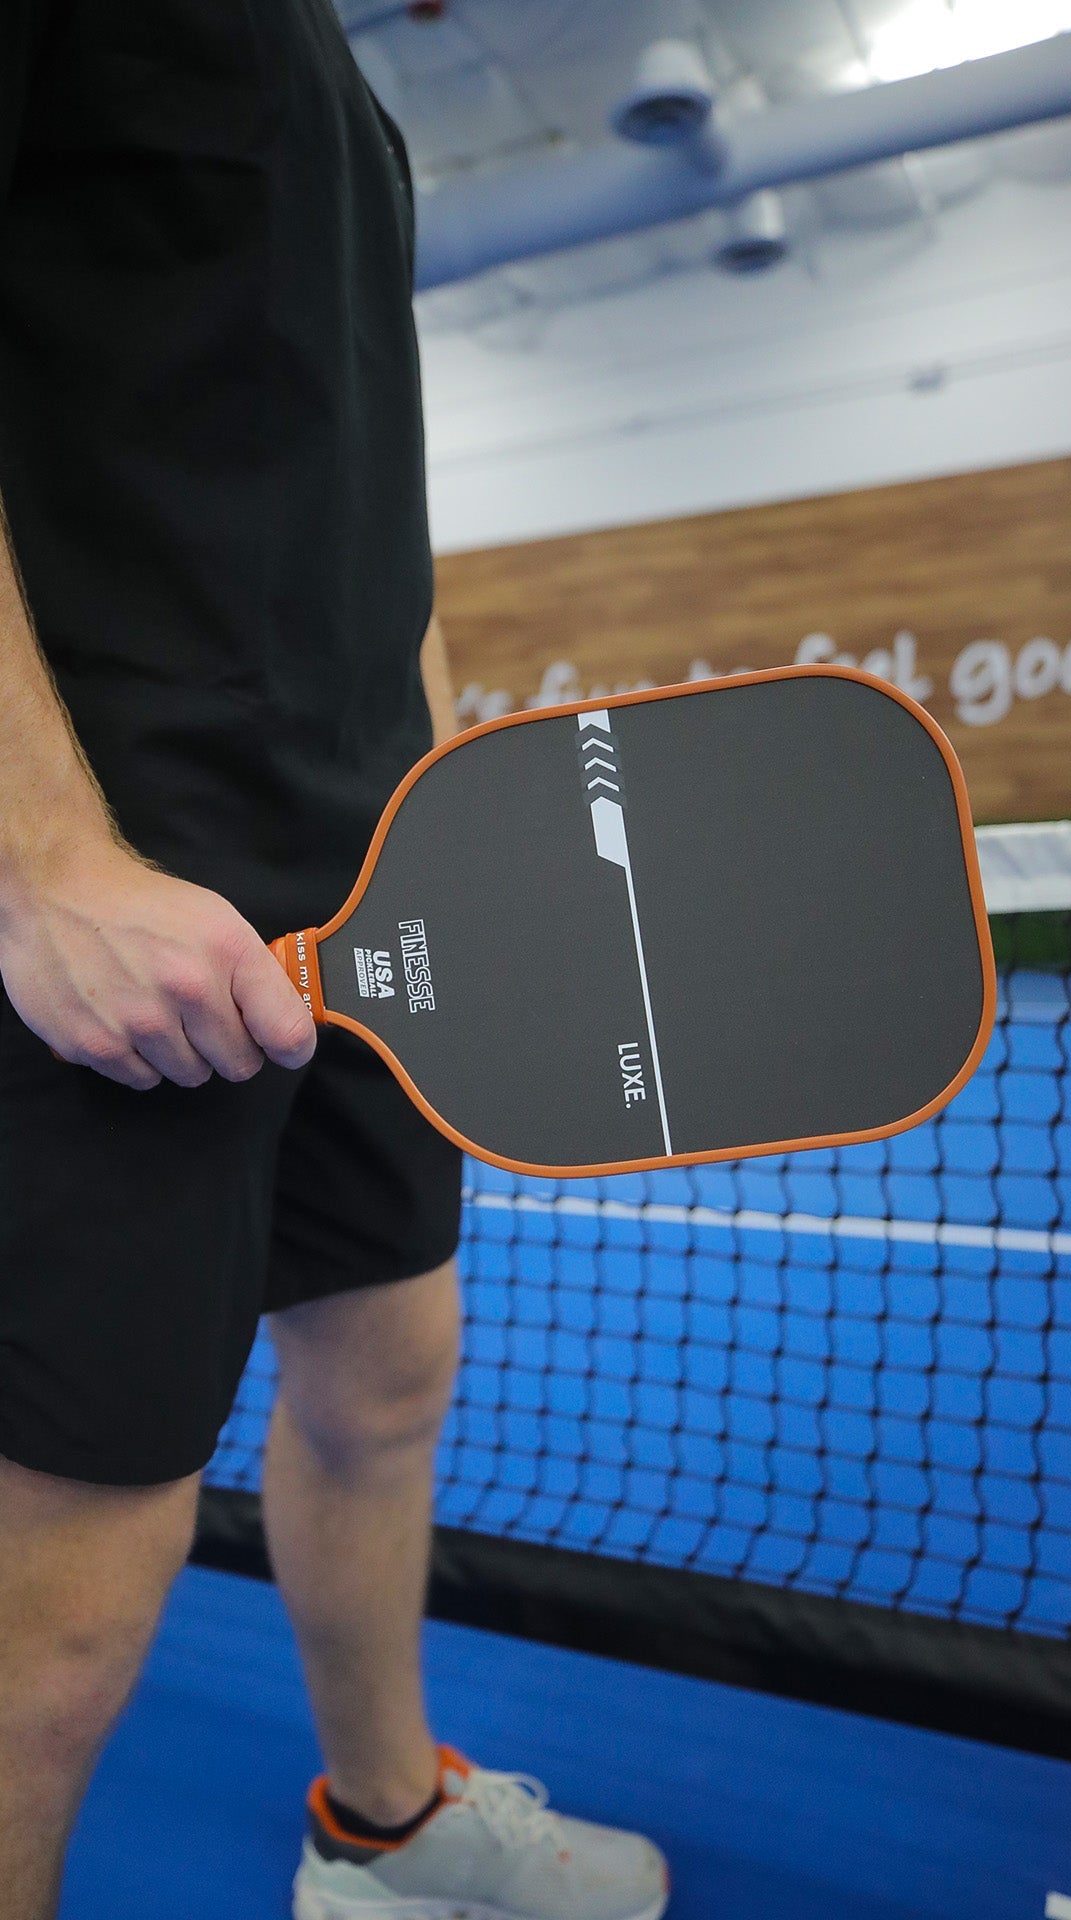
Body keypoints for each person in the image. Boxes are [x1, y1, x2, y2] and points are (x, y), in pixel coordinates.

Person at [0, 4, 670, 1918]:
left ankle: (380, 1829)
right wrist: (41, 865)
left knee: (386, 1372)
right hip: (117, 906)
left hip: (370, 893)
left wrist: (453, 821)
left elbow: (374, 514)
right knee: (58, 1613)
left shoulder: (336, 78)